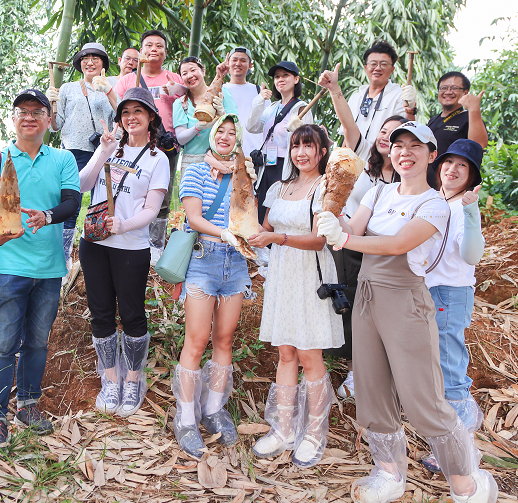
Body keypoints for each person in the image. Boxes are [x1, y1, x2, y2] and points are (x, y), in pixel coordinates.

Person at [316, 122, 497, 503]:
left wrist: (344, 237)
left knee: (424, 398)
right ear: (389, 152)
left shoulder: (434, 204)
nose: (405, 152)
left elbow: (398, 243)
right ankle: (389, 472)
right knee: (373, 391)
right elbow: (354, 228)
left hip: (406, 301)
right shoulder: (379, 192)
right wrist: (333, 217)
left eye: (417, 146)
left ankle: (466, 481)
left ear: (432, 155)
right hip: (367, 298)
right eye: (398, 145)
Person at [0, 89, 81, 455]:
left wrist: (46, 216)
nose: (30, 117)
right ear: (13, 118)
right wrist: (2, 231)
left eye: (38, 111)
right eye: (23, 111)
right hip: (8, 267)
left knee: (37, 341)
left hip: (50, 267)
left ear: (49, 120)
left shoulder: (64, 158)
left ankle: (28, 405)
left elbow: (71, 202)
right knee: (4, 344)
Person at [246, 124, 341, 468]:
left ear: (322, 152)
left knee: (309, 354)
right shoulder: (279, 187)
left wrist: (277, 239)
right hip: (282, 274)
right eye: (296, 145)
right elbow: (265, 227)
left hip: (310, 273)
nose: (301, 152)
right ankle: (283, 428)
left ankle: (314, 433)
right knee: (286, 352)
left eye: (309, 146)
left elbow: (319, 240)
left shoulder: (326, 188)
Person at [318, 64, 409, 399]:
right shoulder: (360, 164)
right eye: (384, 131)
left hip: (384, 254)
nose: (387, 136)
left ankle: (367, 371)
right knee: (342, 298)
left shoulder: (407, 182)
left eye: (396, 133)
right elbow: (348, 124)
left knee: (372, 310)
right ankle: (334, 362)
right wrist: (335, 90)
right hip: (347, 242)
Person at [78, 87, 169, 417]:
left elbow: (152, 209)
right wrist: (102, 152)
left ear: (150, 119)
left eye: (138, 113)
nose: (131, 118)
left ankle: (133, 379)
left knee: (131, 314)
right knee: (101, 312)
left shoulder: (158, 159)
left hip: (131, 247)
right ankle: (110, 379)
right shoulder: (109, 147)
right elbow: (83, 185)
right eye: (126, 113)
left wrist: (125, 225)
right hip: (95, 244)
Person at [171, 114, 255, 457]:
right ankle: (186, 417)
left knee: (224, 338)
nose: (225, 136)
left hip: (234, 264)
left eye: (232, 133)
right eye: (220, 130)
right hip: (204, 259)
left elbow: (248, 216)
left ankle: (214, 409)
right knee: (196, 339)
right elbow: (193, 219)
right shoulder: (194, 172)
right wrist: (224, 233)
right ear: (211, 135)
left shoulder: (242, 176)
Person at [421, 139, 486, 474]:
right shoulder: (435, 200)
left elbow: (472, 255)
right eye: (448, 163)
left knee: (449, 366)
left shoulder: (464, 207)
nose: (452, 169)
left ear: (472, 174)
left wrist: (473, 212)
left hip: (450, 291)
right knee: (440, 363)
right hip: (428, 290)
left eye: (462, 166)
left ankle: (460, 448)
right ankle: (464, 417)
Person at [114, 30, 186, 261]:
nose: (154, 49)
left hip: (164, 145)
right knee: (129, 189)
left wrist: (179, 91)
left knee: (161, 195)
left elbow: (190, 105)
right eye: (149, 45)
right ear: (141, 51)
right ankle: (128, 235)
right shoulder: (127, 80)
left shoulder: (175, 79)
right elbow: (116, 111)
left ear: (165, 52)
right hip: (132, 143)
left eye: (159, 46)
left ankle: (155, 247)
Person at [45, 42, 118, 266]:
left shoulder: (112, 84)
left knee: (104, 200)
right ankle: (63, 255)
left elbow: (122, 114)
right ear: (80, 64)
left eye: (96, 58)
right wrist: (51, 105)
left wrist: (108, 90)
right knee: (71, 201)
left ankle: (103, 248)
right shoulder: (67, 88)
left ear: (103, 63)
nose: (90, 62)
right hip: (73, 151)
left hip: (104, 148)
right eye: (86, 58)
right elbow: (56, 126)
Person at [246, 61, 310, 224]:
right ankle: (263, 248)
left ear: (296, 79)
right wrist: (259, 100)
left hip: (287, 166)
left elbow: (310, 142)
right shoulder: (272, 107)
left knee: (279, 213)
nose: (280, 79)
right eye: (277, 76)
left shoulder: (302, 108)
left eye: (285, 75)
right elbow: (252, 127)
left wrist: (299, 131)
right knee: (262, 211)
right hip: (268, 166)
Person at [171, 56, 237, 180]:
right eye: (184, 73)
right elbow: (181, 139)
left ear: (203, 71)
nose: (190, 75)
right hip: (192, 162)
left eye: (193, 70)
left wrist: (221, 112)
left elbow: (236, 126)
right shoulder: (180, 103)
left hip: (222, 161)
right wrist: (198, 127)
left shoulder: (222, 93)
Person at [343, 41, 416, 144]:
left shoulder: (400, 96)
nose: (377, 68)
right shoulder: (355, 98)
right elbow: (346, 135)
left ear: (392, 70)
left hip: (383, 158)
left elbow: (408, 130)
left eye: (384, 64)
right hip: (351, 158)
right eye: (373, 64)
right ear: (365, 68)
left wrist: (410, 110)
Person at [425, 71, 488, 186]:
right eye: (443, 88)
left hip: (453, 187)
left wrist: (474, 109)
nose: (448, 92)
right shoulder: (433, 120)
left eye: (454, 88)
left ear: (465, 92)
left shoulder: (469, 118)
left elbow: (479, 145)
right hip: (428, 186)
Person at [222, 47, 263, 155]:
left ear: (250, 65)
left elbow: (266, 123)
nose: (238, 63)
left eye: (243, 60)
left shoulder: (259, 91)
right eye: (234, 60)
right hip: (226, 154)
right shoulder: (220, 90)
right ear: (228, 62)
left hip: (254, 154)